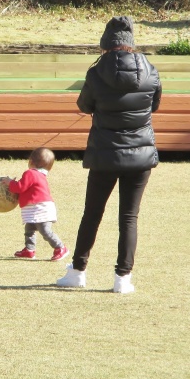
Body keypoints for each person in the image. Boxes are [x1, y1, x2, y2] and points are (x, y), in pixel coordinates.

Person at [57, 16, 161, 293]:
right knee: (129, 217)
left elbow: (83, 105)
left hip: (105, 153)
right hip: (140, 156)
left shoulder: (96, 71)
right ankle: (122, 279)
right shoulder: (150, 70)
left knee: (92, 213)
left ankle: (78, 271)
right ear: (131, 44)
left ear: (105, 44)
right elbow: (155, 105)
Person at [4, 147, 69, 261]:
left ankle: (60, 247)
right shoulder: (40, 175)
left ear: (31, 161)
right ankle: (29, 250)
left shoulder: (31, 173)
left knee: (45, 230)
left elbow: (20, 187)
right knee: (29, 229)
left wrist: (10, 182)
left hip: (41, 208)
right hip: (38, 208)